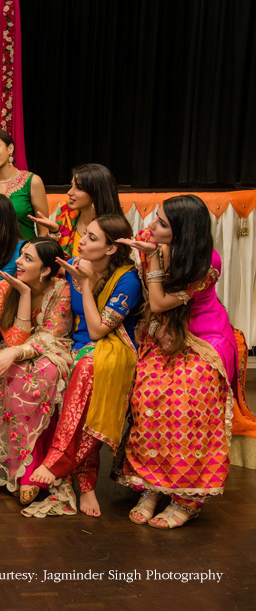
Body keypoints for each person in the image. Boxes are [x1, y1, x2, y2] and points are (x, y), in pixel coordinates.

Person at [116, 195, 248, 529]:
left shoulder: (207, 262)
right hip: (164, 331)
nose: (150, 226)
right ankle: (151, 485)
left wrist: (153, 259)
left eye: (161, 223)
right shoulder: (150, 239)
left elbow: (159, 303)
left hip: (203, 335)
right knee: (147, 394)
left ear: (183, 233)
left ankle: (186, 497)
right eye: (155, 217)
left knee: (186, 400)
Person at [24, 216, 141, 518]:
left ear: (111, 249)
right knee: (49, 371)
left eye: (92, 238)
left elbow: (99, 330)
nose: (83, 241)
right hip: (77, 345)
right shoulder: (74, 264)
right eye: (85, 234)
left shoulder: (128, 280)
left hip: (116, 348)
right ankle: (83, 482)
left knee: (87, 368)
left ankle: (61, 459)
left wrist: (86, 284)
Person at [0, 238, 73, 505]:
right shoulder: (3, 288)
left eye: (28, 258)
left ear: (45, 270)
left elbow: (53, 334)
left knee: (45, 374)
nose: (19, 262)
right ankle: (22, 465)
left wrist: (17, 353)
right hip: (15, 349)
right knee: (11, 374)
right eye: (21, 255)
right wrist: (22, 294)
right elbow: (14, 341)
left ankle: (37, 463)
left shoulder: (61, 290)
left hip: (51, 348)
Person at [30, 163, 125, 258]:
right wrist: (55, 231)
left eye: (79, 188)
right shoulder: (67, 214)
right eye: (72, 185)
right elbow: (51, 258)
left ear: (96, 193)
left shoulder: (113, 227)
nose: (69, 192)